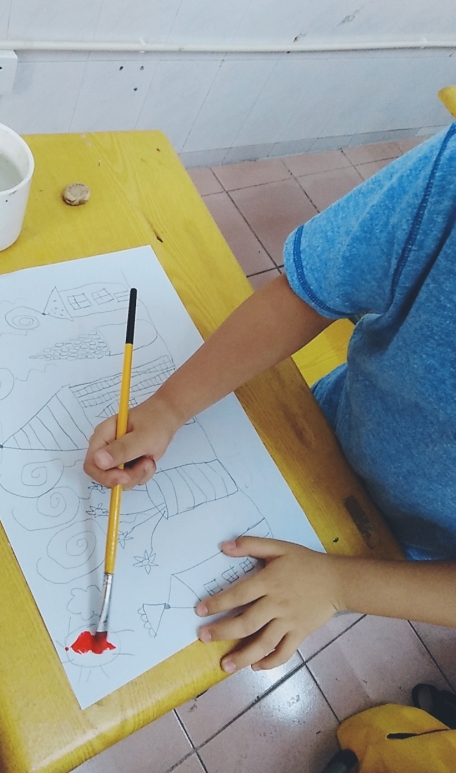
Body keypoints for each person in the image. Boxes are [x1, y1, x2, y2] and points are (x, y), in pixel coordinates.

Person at [83, 123, 456, 675]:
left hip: (409, 558)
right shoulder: (448, 175)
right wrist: (170, 407)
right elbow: (311, 293)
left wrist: (340, 585)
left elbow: (339, 583)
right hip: (323, 431)